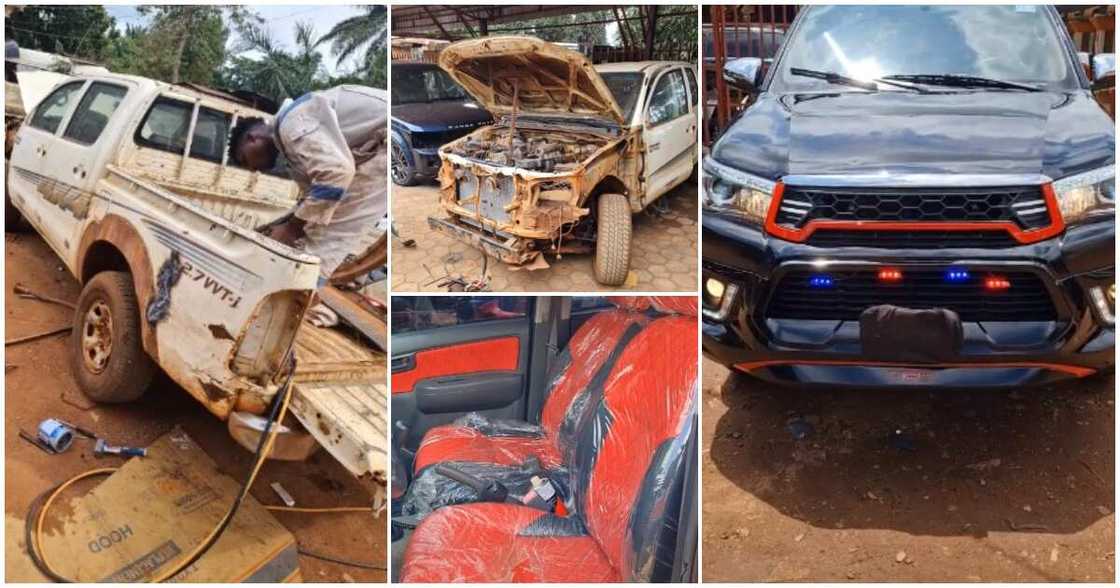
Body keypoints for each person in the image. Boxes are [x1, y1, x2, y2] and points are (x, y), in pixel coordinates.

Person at [229, 85, 387, 286]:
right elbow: (313, 201)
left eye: (245, 160)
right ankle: (300, 290)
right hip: (379, 146)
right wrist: (280, 226)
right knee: (317, 234)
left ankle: (300, 295)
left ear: (252, 139)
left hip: (387, 141)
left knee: (327, 241)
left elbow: (336, 175)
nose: (254, 169)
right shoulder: (292, 149)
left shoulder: (293, 123)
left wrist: (292, 229)